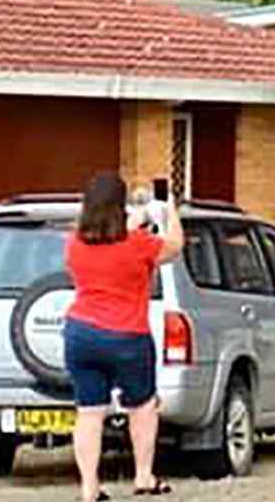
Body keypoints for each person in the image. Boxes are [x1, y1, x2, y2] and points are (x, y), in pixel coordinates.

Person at [64, 172, 186, 502]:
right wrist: (167, 211)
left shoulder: (74, 244)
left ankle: (89, 488)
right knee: (142, 406)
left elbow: (103, 240)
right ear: (122, 204)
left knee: (89, 411)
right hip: (127, 334)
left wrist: (134, 221)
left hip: (80, 333)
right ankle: (143, 475)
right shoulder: (138, 244)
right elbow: (174, 247)